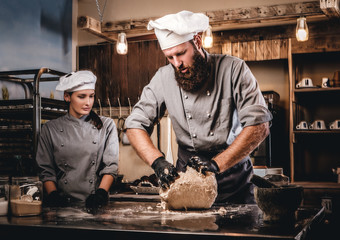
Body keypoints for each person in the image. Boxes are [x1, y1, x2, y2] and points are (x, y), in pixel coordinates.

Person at [125, 10, 272, 204]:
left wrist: (215, 164)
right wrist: (157, 161)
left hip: (234, 182)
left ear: (197, 41)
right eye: (169, 57)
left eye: (180, 53)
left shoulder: (234, 69)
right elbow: (134, 124)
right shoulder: (163, 78)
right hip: (187, 182)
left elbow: (259, 126)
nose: (177, 64)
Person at [36, 70, 119, 209]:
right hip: (62, 206)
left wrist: (101, 193)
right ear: (67, 97)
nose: (88, 102)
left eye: (91, 96)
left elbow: (111, 167)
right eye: (82, 96)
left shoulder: (107, 126)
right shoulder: (51, 129)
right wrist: (53, 195)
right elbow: (46, 170)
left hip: (95, 205)